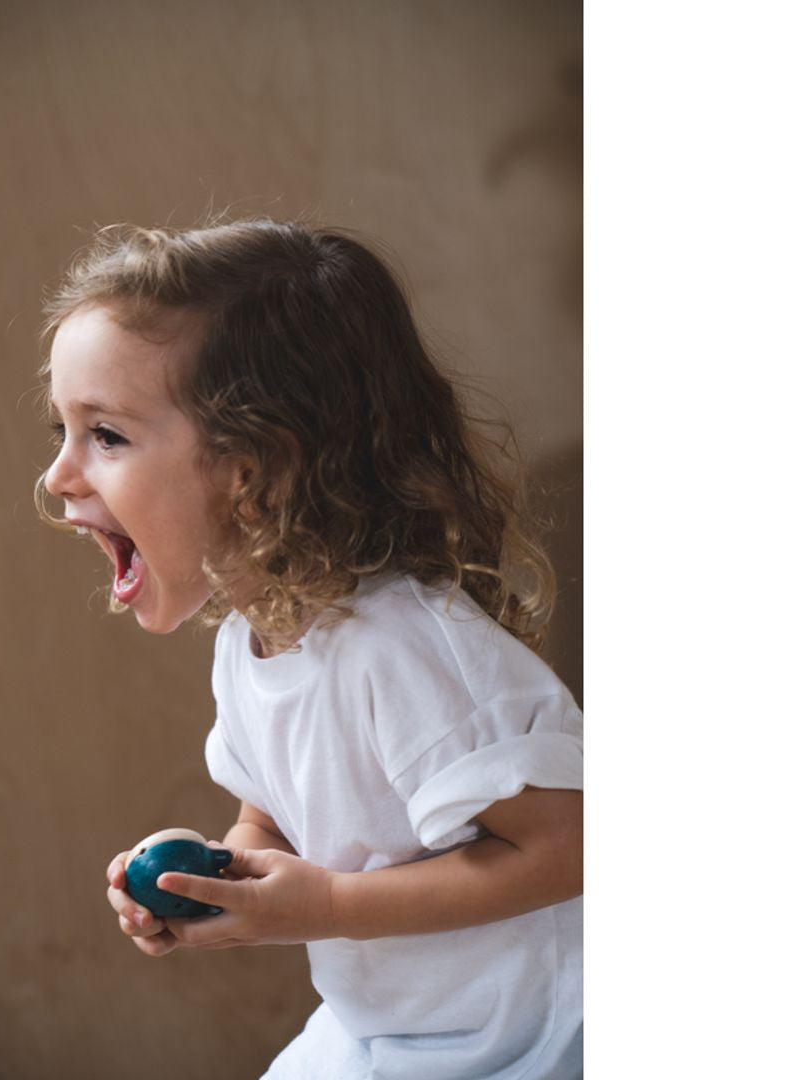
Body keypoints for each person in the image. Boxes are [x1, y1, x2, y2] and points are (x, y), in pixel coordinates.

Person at [36, 219, 583, 1079]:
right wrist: (224, 878)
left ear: (251, 468)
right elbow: (277, 818)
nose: (59, 475)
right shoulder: (253, 644)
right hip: (385, 1031)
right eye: (62, 431)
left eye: (105, 435)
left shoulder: (401, 648)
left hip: (527, 1040)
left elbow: (571, 845)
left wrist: (329, 903)